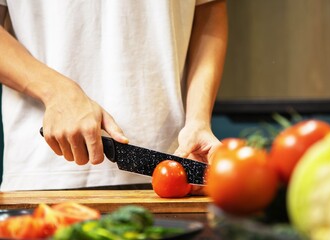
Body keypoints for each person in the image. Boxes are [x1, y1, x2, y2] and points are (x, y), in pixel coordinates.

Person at [0, 0, 228, 191]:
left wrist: (198, 120)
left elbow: (209, 7)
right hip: (41, 172)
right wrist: (57, 92)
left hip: (171, 173)